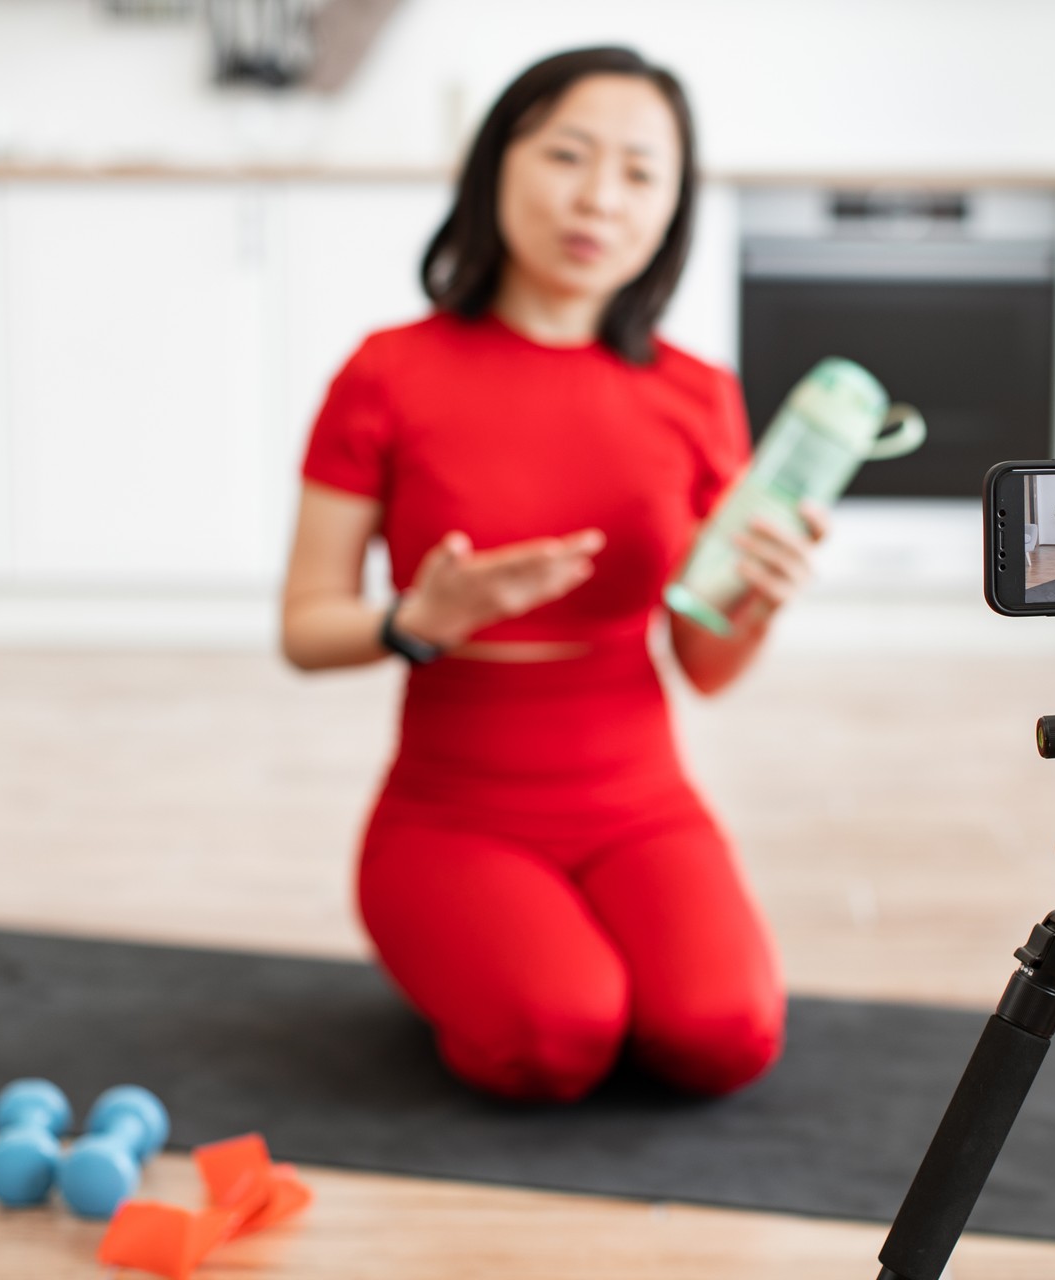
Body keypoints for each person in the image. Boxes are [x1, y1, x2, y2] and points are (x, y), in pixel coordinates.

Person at [278, 47, 826, 1103]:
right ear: (497, 167)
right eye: (568, 155)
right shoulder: (385, 372)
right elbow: (305, 625)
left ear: (672, 208)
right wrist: (416, 619)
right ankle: (492, 947)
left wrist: (758, 596)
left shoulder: (699, 393)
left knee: (726, 1034)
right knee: (555, 1037)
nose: (598, 199)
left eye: (638, 173)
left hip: (641, 803)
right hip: (451, 811)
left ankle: (571, 950)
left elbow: (703, 666)